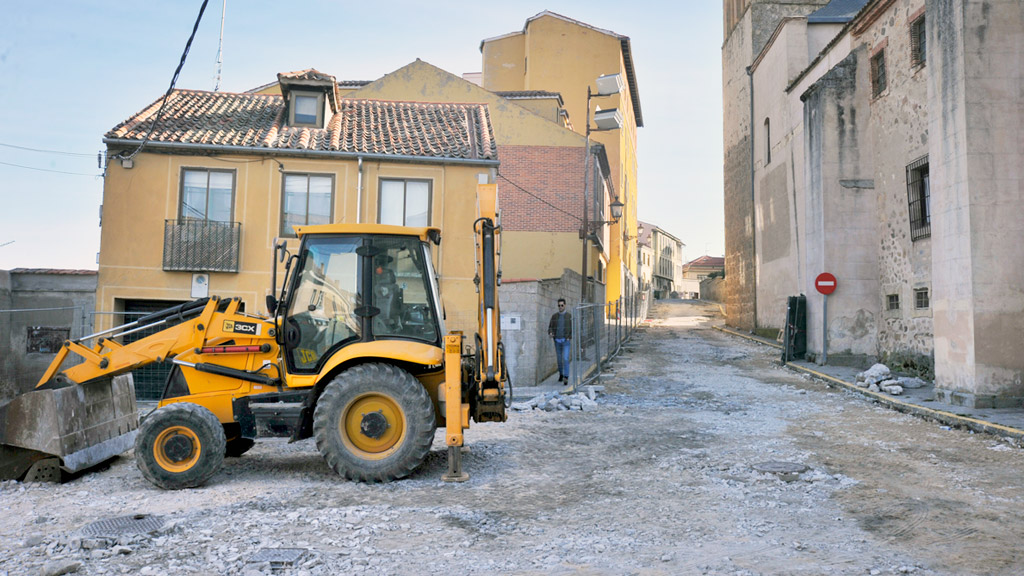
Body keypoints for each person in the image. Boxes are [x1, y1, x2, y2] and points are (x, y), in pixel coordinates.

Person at [547, 298, 572, 383]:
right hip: (557, 340)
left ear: (565, 305)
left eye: (562, 305)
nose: (560, 307)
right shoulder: (554, 316)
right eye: (559, 305)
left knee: (565, 358)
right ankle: (561, 374)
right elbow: (550, 327)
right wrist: (550, 333)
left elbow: (573, 327)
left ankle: (566, 376)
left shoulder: (569, 316)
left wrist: (569, 336)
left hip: (566, 341)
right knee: (559, 359)